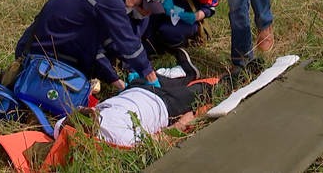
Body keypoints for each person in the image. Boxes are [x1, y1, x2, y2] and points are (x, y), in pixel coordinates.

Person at [15, 0, 167, 91]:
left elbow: (96, 48)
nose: (138, 13)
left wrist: (119, 84)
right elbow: (127, 43)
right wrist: (150, 75)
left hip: (44, 50)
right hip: (37, 59)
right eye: (139, 7)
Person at [52, 48, 210, 147]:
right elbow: (159, 140)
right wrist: (183, 123)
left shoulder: (63, 127)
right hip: (164, 106)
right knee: (204, 91)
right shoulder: (119, 137)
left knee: (156, 79)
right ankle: (232, 77)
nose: (94, 109)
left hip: (133, 90)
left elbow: (62, 128)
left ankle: (187, 73)